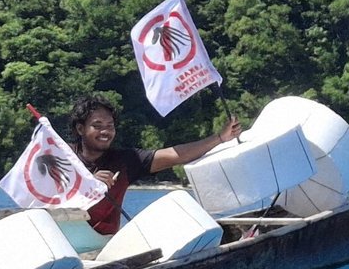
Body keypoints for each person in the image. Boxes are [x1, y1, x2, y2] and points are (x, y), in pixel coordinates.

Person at [68, 95, 242, 236]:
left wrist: (220, 138)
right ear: (80, 129)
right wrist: (86, 184)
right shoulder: (62, 158)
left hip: (103, 245)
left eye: (110, 126)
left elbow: (174, 155)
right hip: (64, 243)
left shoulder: (125, 160)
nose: (105, 131)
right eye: (97, 126)